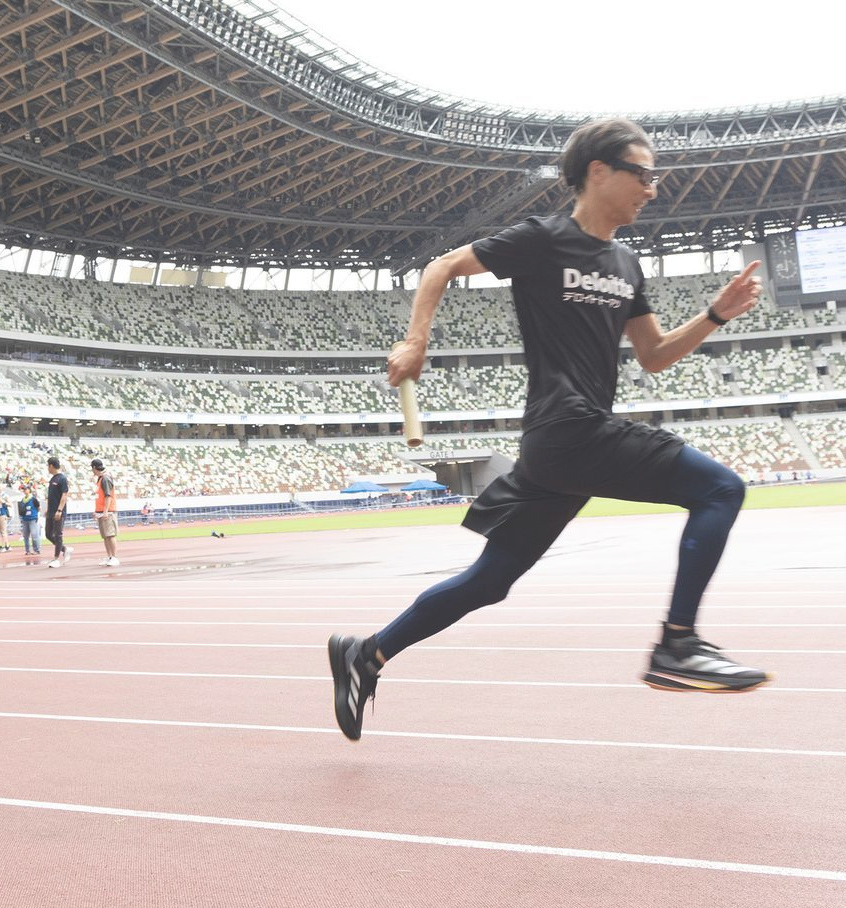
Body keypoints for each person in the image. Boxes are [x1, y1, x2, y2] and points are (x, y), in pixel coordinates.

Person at [328, 117, 769, 742]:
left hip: (564, 450)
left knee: (489, 581)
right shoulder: (542, 238)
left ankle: (366, 654)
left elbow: (653, 355)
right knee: (721, 489)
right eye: (642, 175)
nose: (652, 189)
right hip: (567, 428)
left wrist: (715, 315)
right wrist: (416, 341)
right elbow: (442, 266)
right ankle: (678, 643)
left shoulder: (626, 263)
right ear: (599, 172)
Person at [90, 459, 120, 567]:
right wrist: (97, 511)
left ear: (94, 467)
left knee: (110, 535)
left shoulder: (105, 478)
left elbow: (108, 496)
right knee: (105, 536)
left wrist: (105, 512)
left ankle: (114, 557)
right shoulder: (101, 478)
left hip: (108, 511)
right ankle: (110, 556)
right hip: (101, 511)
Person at [45, 457, 72, 568]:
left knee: (58, 534)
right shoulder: (52, 479)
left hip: (58, 511)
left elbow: (64, 494)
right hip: (51, 511)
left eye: (48, 466)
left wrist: (59, 510)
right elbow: (51, 496)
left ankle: (56, 559)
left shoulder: (62, 478)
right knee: (48, 534)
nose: (47, 468)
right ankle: (65, 549)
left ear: (51, 466)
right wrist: (48, 509)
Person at [18, 489, 41, 563]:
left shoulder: (33, 499)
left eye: (26, 489)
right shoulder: (22, 500)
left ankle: (36, 550)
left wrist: (35, 515)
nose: (25, 491)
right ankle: (27, 550)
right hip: (25, 519)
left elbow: (39, 508)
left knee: (34, 535)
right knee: (25, 536)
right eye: (24, 490)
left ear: (29, 491)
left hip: (32, 519)